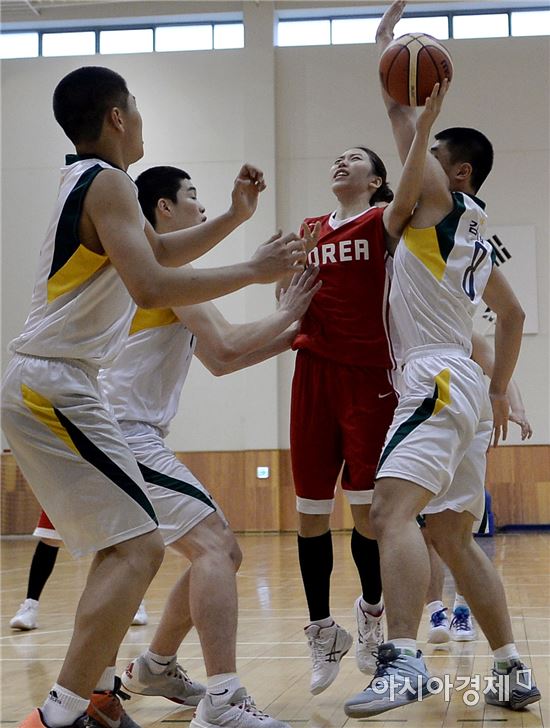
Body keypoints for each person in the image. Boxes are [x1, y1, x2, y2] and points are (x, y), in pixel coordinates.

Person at [1, 65, 306, 728]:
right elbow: (150, 285)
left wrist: (232, 218)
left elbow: (160, 253)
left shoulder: (90, 184)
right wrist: (255, 270)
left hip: (53, 385)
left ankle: (100, 694)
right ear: (117, 116)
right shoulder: (108, 182)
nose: (139, 120)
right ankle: (62, 713)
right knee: (150, 548)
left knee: (127, 549)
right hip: (56, 384)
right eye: (134, 109)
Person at [344, 1, 541, 718]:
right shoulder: (477, 228)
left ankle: (401, 663)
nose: (411, 159)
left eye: (427, 155)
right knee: (453, 537)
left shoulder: (434, 196)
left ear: (452, 168)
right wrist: (500, 389)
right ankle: (513, 669)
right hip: (462, 382)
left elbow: (402, 118)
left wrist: (387, 54)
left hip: (431, 376)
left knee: (389, 514)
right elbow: (514, 316)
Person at [96, 164, 320, 728]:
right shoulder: (167, 272)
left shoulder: (164, 274)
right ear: (163, 210)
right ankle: (222, 700)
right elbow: (227, 339)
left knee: (219, 551)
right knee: (216, 547)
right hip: (121, 433)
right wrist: (288, 314)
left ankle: (154, 666)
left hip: (124, 435)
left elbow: (220, 360)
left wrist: (296, 338)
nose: (202, 206)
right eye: (192, 196)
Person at [277, 82, 454, 696]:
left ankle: (373, 613)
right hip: (313, 375)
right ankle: (322, 628)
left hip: (372, 377)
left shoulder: (385, 219)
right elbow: (291, 294)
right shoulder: (308, 227)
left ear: (376, 181)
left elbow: (414, 186)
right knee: (307, 514)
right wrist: (283, 286)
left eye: (355, 158)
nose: (340, 162)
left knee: (369, 519)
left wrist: (417, 121)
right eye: (338, 158)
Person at [424, 333, 533, 646]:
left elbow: (502, 372)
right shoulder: (410, 328)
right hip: (424, 434)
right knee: (424, 534)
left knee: (459, 534)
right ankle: (435, 611)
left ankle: (461, 609)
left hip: (464, 434)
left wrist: (518, 409)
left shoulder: (466, 335)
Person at [9, 512, 148, 631]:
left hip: (106, 484)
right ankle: (30, 607)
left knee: (120, 539)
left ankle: (135, 603)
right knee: (49, 537)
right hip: (67, 485)